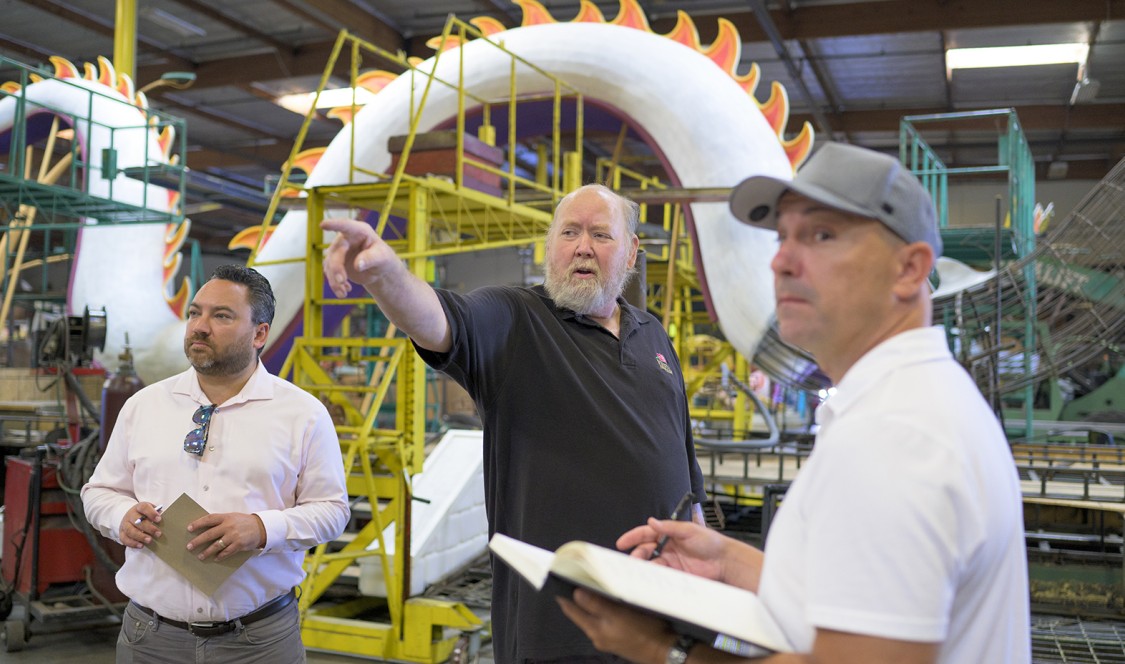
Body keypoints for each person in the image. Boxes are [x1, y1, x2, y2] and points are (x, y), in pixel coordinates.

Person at [558, 143, 1031, 664]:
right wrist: (727, 561)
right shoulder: (910, 404)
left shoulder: (895, 434)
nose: (781, 260)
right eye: (782, 237)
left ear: (909, 270)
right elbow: (852, 601)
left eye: (821, 235)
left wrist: (661, 650)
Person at [321, 183, 707, 663]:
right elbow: (439, 319)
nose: (582, 246)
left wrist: (698, 527)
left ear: (630, 255)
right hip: (559, 626)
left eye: (601, 235)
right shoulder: (517, 320)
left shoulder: (653, 336)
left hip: (659, 612)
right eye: (569, 232)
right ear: (550, 248)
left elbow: (681, 450)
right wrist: (384, 274)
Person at [82, 264, 349, 664]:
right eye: (194, 313)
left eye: (221, 315)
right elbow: (99, 491)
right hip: (150, 639)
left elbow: (332, 511)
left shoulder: (302, 414)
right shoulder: (144, 406)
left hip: (259, 642)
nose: (200, 327)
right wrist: (121, 515)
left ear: (260, 333)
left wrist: (261, 528)